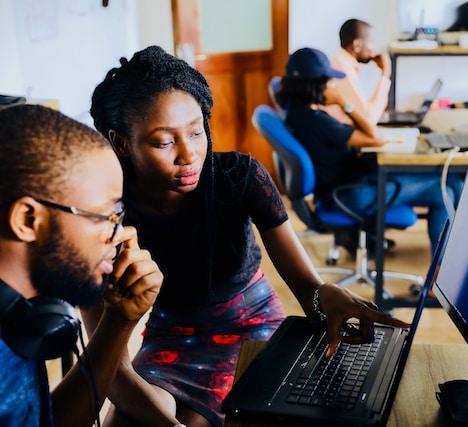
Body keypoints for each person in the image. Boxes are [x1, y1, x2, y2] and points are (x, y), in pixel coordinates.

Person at [88, 46, 409, 427]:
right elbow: (108, 366)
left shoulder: (239, 178)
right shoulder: (103, 216)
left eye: (196, 131)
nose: (189, 154)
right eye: (165, 142)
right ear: (122, 142)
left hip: (253, 328)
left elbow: (308, 288)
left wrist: (327, 296)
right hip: (172, 340)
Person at [0, 105, 164, 427]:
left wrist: (119, 320)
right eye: (106, 216)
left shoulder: (21, 313)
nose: (121, 235)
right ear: (28, 220)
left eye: (120, 215)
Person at [278, 48, 463, 254]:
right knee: (444, 191)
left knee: (454, 182)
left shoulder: (294, 112)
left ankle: (449, 262)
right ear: (315, 85)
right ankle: (438, 276)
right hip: (351, 195)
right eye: (328, 81)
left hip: (344, 187)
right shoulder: (316, 121)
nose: (332, 85)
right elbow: (374, 137)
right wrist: (344, 103)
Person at [328, 18, 392, 127]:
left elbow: (365, 110)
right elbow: (368, 119)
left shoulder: (343, 63)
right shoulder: (342, 69)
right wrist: (385, 74)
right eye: (372, 42)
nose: (374, 50)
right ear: (357, 45)